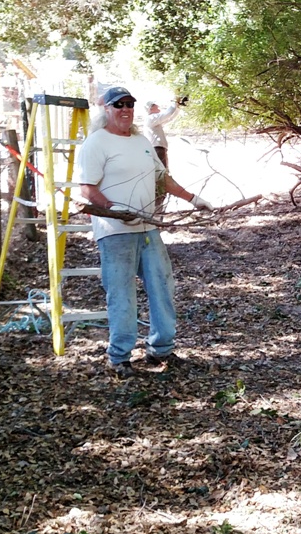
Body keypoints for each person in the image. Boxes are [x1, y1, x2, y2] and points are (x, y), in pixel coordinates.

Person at [75, 86, 213, 378]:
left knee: (162, 286)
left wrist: (193, 199)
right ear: (107, 110)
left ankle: (161, 348)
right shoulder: (96, 143)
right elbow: (87, 188)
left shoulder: (141, 141)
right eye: (118, 105)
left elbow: (162, 178)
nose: (125, 110)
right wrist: (113, 210)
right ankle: (120, 356)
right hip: (115, 232)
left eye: (129, 104)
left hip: (148, 227)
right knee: (121, 293)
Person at [142, 98, 184, 168]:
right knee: (162, 172)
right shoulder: (151, 118)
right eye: (155, 105)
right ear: (151, 108)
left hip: (159, 149)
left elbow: (170, 118)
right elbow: (167, 114)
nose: (157, 106)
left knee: (163, 170)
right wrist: (174, 102)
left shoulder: (154, 120)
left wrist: (177, 106)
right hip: (157, 149)